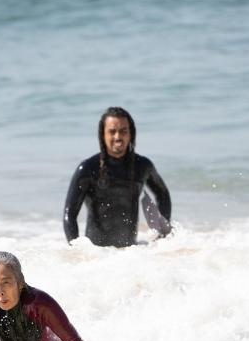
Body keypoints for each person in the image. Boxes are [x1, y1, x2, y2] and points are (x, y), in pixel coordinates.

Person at [63, 106, 172, 247]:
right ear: (103, 134)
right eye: (112, 131)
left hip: (131, 254)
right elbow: (69, 215)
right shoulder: (88, 168)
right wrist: (77, 251)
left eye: (123, 131)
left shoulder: (142, 166)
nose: (118, 137)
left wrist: (161, 234)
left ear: (131, 134)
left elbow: (163, 194)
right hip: (97, 254)